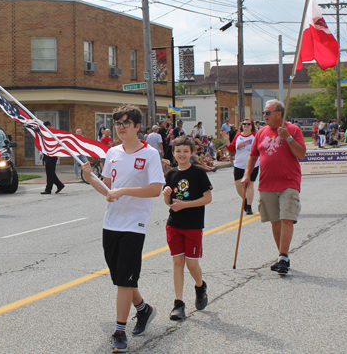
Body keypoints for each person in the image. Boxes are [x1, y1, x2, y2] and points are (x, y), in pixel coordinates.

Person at [82, 105, 164, 353]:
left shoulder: (149, 154)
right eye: (118, 123)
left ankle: (119, 331)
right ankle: (143, 309)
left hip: (134, 224)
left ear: (138, 126)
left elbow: (156, 189)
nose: (121, 127)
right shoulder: (113, 152)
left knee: (124, 281)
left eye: (126, 122)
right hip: (111, 222)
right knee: (121, 276)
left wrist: (124, 191)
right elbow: (108, 190)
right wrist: (90, 178)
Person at [242, 99, 306, 274]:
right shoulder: (262, 133)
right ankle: (282, 256)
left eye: (268, 113)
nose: (264, 116)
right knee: (275, 221)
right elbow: (253, 156)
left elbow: (301, 154)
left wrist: (288, 138)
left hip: (289, 182)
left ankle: (283, 256)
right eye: (264, 113)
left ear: (279, 114)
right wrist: (247, 174)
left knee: (287, 217)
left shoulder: (293, 130)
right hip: (267, 183)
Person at [163, 136, 212, 320]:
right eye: (178, 151)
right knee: (177, 263)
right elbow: (169, 202)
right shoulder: (171, 174)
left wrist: (186, 205)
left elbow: (207, 198)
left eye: (185, 151)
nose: (182, 154)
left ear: (192, 153)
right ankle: (178, 303)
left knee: (192, 264)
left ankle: (200, 286)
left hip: (193, 225)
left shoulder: (198, 173)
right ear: (173, 153)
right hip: (174, 224)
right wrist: (166, 195)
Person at [222, 118, 259, 215]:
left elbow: (260, 149)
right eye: (244, 124)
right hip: (239, 164)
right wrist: (227, 140)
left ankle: (249, 207)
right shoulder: (238, 136)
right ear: (241, 126)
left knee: (250, 185)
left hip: (252, 164)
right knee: (238, 185)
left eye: (248, 124)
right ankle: (246, 200)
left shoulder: (255, 136)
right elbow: (232, 149)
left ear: (252, 126)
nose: (246, 125)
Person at [41, 121, 65, 195]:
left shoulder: (52, 133)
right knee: (50, 172)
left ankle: (48, 189)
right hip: (47, 155)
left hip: (52, 155)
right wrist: (42, 154)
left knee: (50, 173)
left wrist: (56, 154)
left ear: (48, 126)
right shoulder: (46, 133)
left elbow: (56, 144)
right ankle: (59, 185)